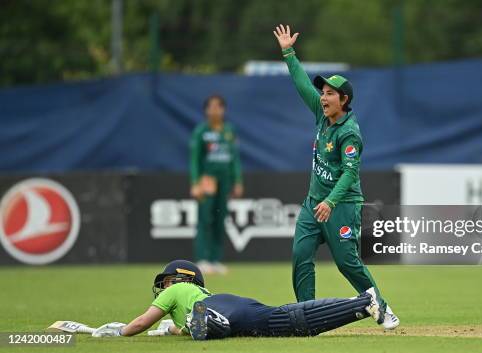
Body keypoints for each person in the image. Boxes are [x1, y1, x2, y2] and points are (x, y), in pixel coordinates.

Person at [272, 24, 399, 329]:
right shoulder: (322, 114)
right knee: (301, 256)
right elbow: (303, 84)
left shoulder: (349, 133)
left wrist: (331, 201)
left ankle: (381, 308)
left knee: (347, 263)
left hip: (341, 205)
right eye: (323, 93)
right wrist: (288, 53)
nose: (323, 97)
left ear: (344, 100)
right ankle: (305, 316)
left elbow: (350, 172)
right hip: (313, 202)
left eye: (330, 94)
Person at [91, 260, 383, 339]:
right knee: (290, 320)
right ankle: (362, 303)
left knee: (202, 325)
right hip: (232, 306)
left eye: (167, 281)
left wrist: (120, 332)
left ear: (181, 279)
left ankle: (211, 321)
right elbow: (175, 328)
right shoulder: (190, 297)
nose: (164, 286)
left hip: (219, 309)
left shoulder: (176, 291)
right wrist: (168, 329)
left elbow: (141, 321)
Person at [190, 95, 243, 275]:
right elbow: (195, 159)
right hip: (207, 180)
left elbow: (234, 158)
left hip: (225, 181)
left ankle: (215, 259)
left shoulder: (229, 131)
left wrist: (237, 181)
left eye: (218, 106)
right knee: (205, 219)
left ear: (223, 110)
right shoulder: (201, 131)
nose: (214, 110)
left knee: (221, 219)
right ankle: (202, 259)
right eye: (211, 107)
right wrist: (195, 183)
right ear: (206, 110)